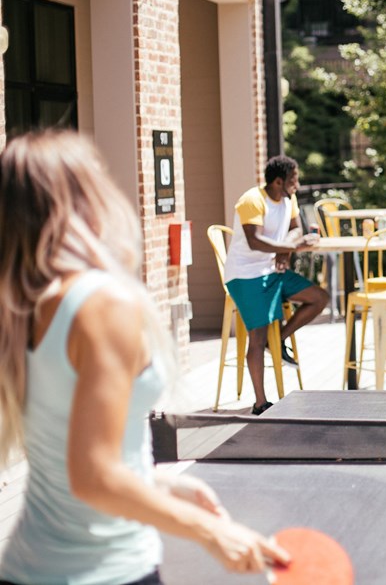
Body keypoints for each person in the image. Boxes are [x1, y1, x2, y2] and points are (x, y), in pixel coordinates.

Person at [0, 130, 289, 584]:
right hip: (107, 573)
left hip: (28, 567)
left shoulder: (23, 306)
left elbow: (68, 456)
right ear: (84, 200)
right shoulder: (100, 304)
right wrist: (211, 533)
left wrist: (161, 484)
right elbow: (92, 477)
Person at [223, 155, 328, 415]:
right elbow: (255, 242)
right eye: (294, 179)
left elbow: (295, 229)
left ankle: (278, 338)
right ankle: (260, 403)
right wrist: (291, 247)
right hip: (246, 275)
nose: (298, 184)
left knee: (319, 298)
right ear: (279, 181)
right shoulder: (252, 200)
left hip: (272, 271)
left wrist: (285, 250)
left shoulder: (288, 200)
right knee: (256, 338)